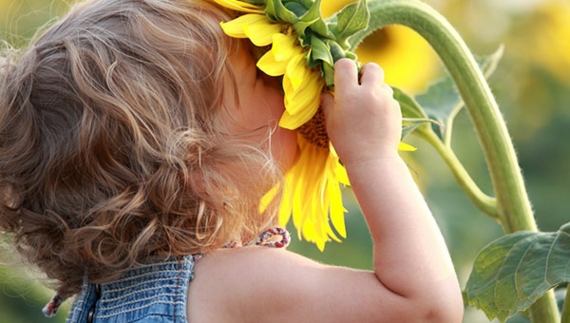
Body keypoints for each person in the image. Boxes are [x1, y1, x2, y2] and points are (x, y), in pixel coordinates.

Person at [0, 0, 464, 322]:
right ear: (201, 171)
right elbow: (424, 309)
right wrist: (372, 154)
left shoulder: (103, 295)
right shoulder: (232, 285)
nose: (288, 89)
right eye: (265, 76)